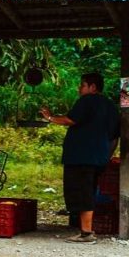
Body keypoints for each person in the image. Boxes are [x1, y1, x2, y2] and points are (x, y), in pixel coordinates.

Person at [40, 72, 120, 244]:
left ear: (93, 87)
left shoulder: (87, 101)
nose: (79, 88)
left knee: (82, 193)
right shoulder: (111, 106)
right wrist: (106, 155)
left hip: (81, 156)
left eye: (82, 85)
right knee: (89, 191)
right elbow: (115, 136)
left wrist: (50, 117)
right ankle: (85, 229)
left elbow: (70, 119)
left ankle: (86, 232)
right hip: (98, 156)